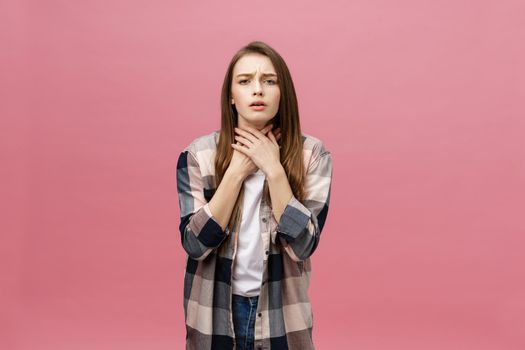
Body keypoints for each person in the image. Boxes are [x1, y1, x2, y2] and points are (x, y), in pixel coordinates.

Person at [176, 41, 333, 350]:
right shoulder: (198, 155)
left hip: (283, 319)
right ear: (231, 97)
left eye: (269, 81)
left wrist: (273, 169)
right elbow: (194, 244)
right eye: (245, 81)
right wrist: (236, 172)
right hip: (214, 315)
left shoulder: (312, 155)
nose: (258, 90)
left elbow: (303, 245)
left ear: (282, 93)